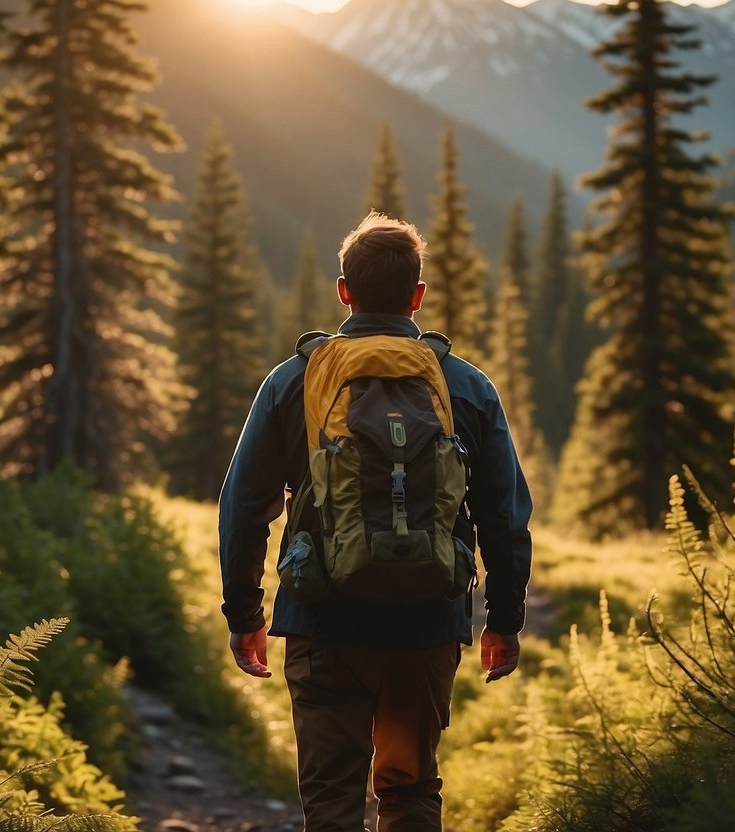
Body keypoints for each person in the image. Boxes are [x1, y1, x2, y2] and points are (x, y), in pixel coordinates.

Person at [218, 212, 533, 832]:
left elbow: (243, 505)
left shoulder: (294, 381)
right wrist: (503, 621)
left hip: (322, 621)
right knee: (410, 791)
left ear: (344, 291)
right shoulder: (465, 387)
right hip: (426, 625)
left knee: (331, 803)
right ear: (419, 296)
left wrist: (245, 616)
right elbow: (505, 514)